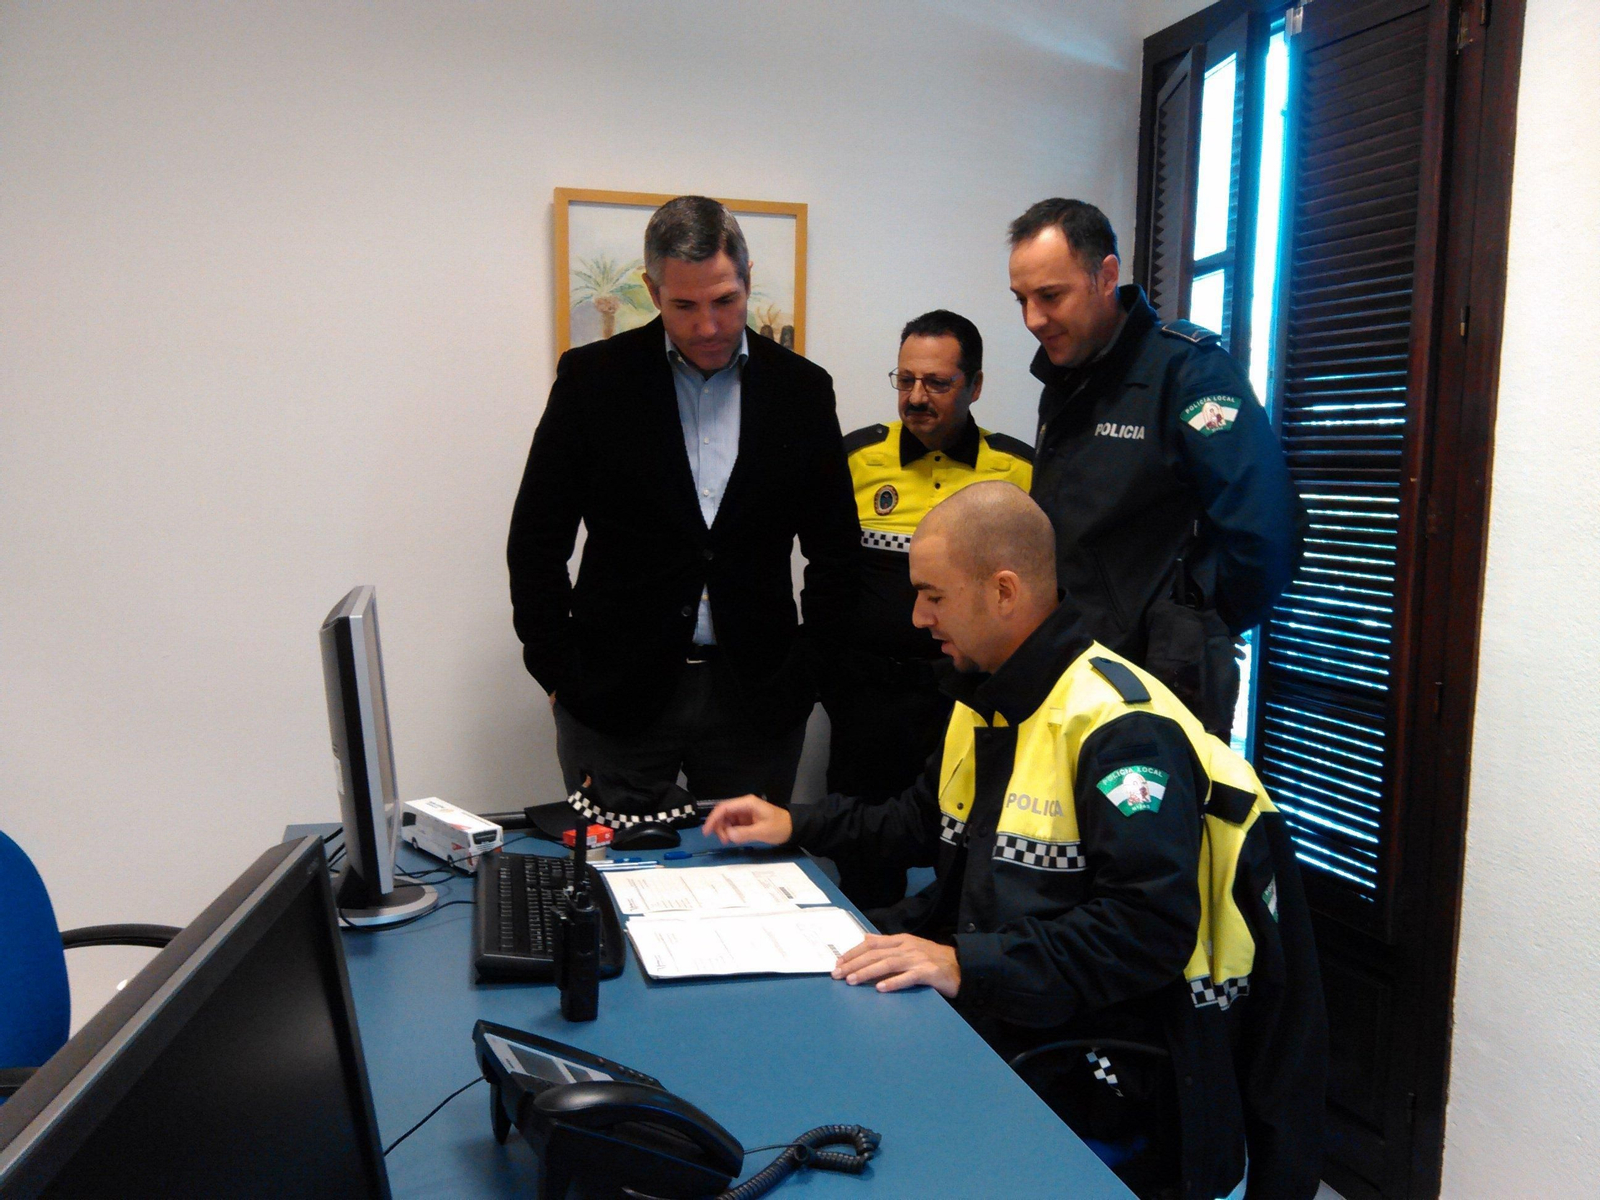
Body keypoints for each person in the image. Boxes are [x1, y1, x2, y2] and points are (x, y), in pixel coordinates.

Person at [704, 482, 1325, 1199]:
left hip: (1089, 1059)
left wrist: (965, 962)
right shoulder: (991, 694)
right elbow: (918, 821)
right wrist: (796, 823)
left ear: (1003, 591)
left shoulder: (1121, 730)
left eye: (933, 595)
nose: (917, 617)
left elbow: (1147, 929)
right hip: (1003, 1014)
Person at [507, 195, 858, 807]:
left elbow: (837, 554)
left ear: (748, 279)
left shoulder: (802, 392)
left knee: (751, 890)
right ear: (650, 289)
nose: (708, 327)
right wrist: (558, 670)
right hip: (614, 698)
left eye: (726, 301)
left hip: (757, 699)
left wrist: (809, 674)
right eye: (684, 305)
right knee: (614, 884)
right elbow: (536, 541)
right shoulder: (592, 382)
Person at [1007, 198, 1306, 735]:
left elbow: (1266, 535)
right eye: (1022, 300)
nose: (1034, 319)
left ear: (1106, 276)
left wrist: (1191, 629)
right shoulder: (1066, 375)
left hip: (1159, 685)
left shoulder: (1187, 372)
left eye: (1050, 296)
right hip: (1071, 668)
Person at [822, 310, 1033, 909]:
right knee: (864, 868)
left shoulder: (1019, 470)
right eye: (905, 379)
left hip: (965, 702)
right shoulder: (856, 459)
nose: (916, 397)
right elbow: (827, 574)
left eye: (937, 383)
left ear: (976, 386)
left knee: (967, 861)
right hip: (868, 702)